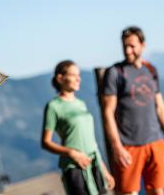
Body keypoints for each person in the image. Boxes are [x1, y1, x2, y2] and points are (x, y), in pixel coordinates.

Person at [102, 26, 164, 195]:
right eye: (125, 46)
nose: (127, 50)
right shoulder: (115, 73)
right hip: (128, 146)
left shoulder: (151, 70)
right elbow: (108, 112)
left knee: (158, 191)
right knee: (128, 192)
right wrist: (117, 147)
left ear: (143, 45)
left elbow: (160, 108)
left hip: (154, 142)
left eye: (132, 46)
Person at [42, 60, 115, 195]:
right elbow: (45, 142)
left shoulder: (81, 104)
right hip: (74, 167)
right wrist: (72, 153)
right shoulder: (53, 106)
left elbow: (91, 141)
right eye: (73, 75)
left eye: (79, 75)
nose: (78, 79)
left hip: (94, 165)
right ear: (60, 78)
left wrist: (105, 171)